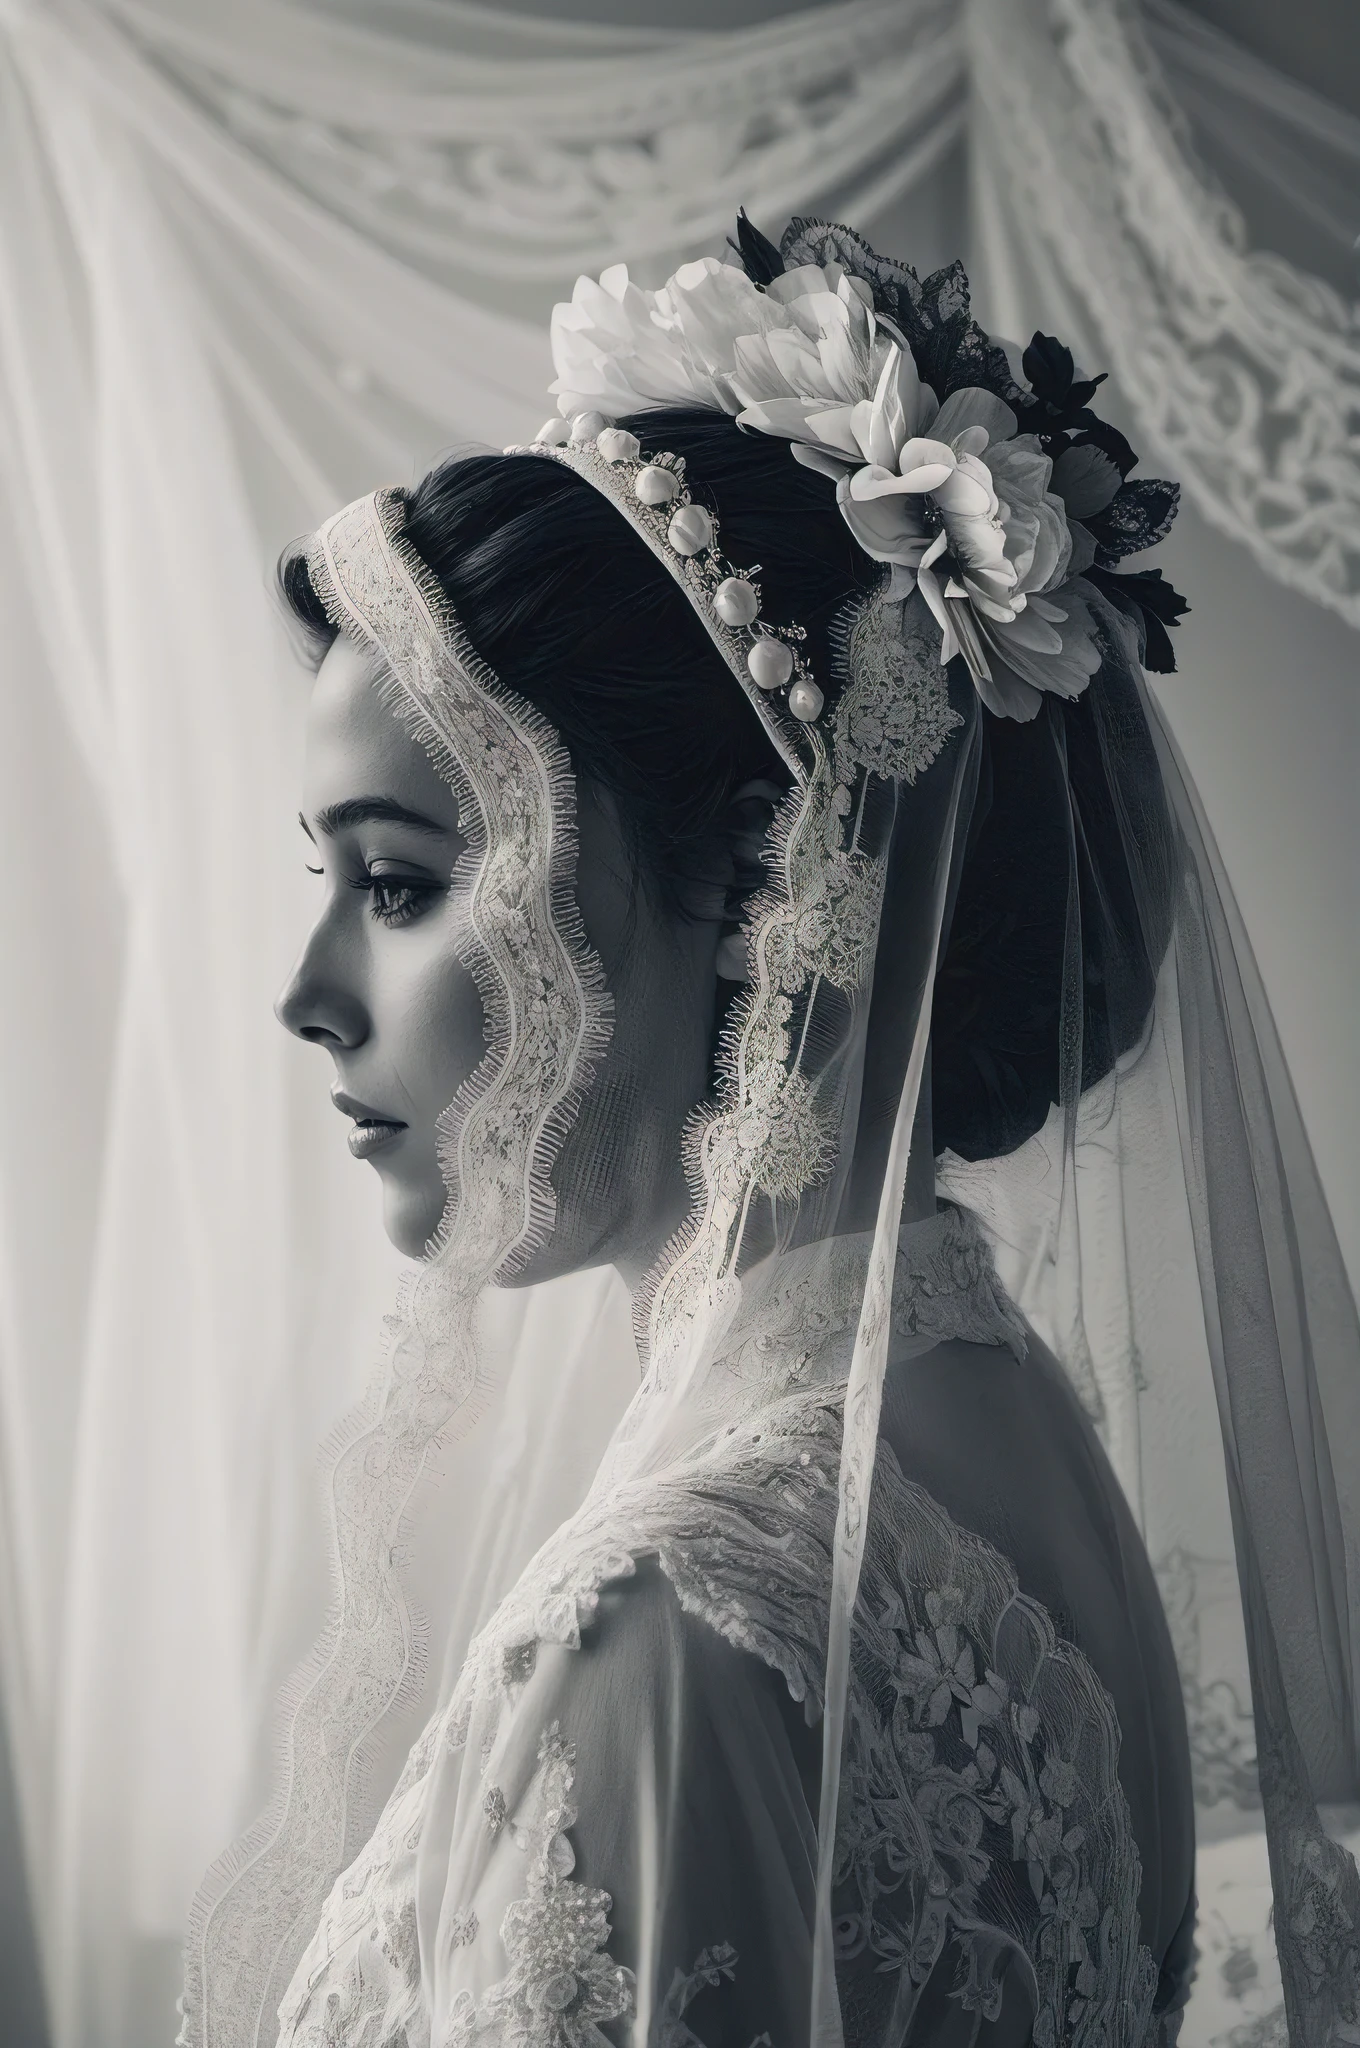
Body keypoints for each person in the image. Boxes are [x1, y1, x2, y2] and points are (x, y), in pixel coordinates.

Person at [180, 218, 1360, 2047]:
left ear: (755, 870)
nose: (310, 994)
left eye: (401, 885)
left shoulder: (656, 1630)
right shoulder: (1014, 1439)